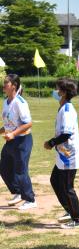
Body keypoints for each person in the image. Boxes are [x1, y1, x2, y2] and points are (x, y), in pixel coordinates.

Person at [44, 78, 79, 228]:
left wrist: (51, 143)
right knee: (55, 181)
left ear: (63, 92)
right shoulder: (63, 107)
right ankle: (70, 211)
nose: (55, 92)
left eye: (57, 89)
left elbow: (66, 134)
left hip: (69, 155)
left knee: (67, 187)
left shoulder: (68, 109)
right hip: (62, 154)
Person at [0, 74, 36, 210]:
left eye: (6, 83)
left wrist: (13, 134)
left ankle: (30, 199)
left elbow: (28, 124)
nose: (4, 86)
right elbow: (8, 125)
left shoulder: (20, 102)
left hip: (22, 140)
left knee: (21, 170)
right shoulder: (6, 101)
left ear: (13, 86)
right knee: (4, 168)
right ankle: (18, 192)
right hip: (11, 141)